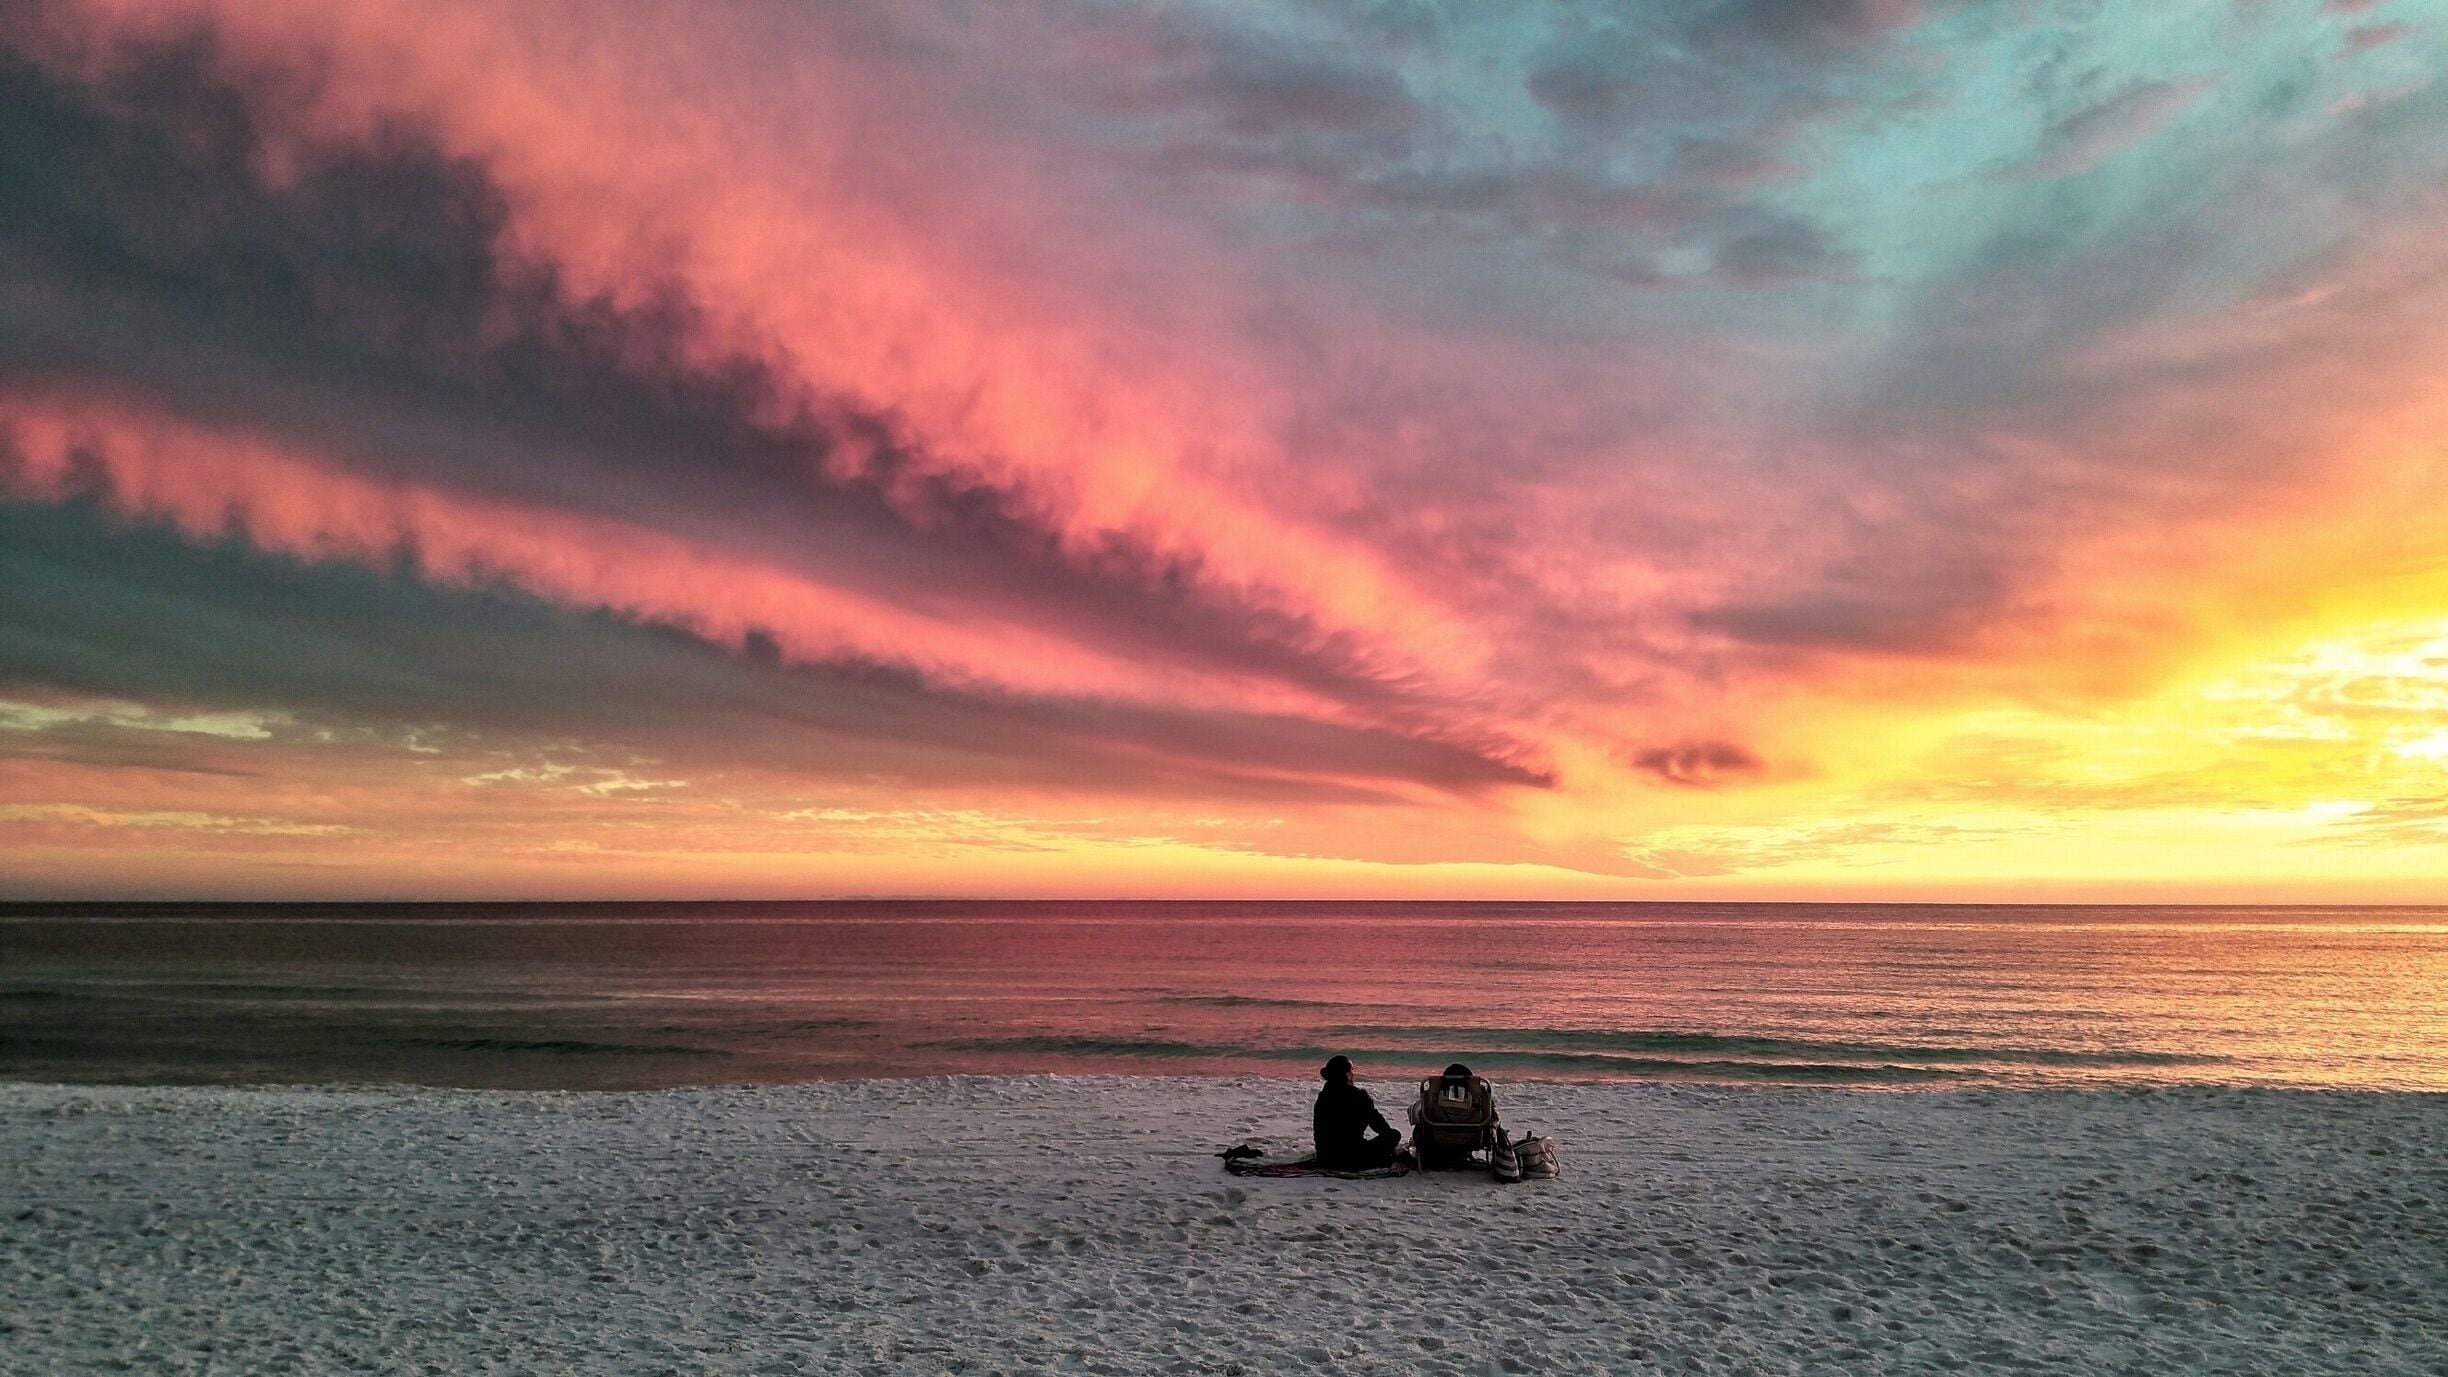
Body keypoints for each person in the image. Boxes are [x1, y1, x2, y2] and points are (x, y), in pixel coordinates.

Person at [1312, 1055, 1403, 1169]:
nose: (1353, 1074)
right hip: (1352, 1157)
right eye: (1352, 1070)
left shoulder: (1323, 1096)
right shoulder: (1359, 1096)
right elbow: (1380, 1127)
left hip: (1325, 1157)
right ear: (1346, 1074)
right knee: (1394, 1135)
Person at [1408, 1062, 1498, 1169]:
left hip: (1437, 1139)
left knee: (1420, 1127)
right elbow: (1493, 1119)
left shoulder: (1434, 1097)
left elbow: (1420, 1117)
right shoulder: (1481, 1098)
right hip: (1473, 1139)